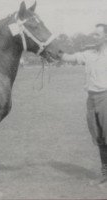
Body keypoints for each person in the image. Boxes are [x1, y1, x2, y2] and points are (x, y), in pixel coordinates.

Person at [60, 23, 107, 186]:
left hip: (105, 98)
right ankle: (105, 176)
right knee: (99, 139)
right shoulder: (88, 54)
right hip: (91, 100)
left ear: (106, 37)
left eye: (97, 35)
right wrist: (52, 50)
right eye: (93, 34)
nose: (93, 37)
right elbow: (67, 57)